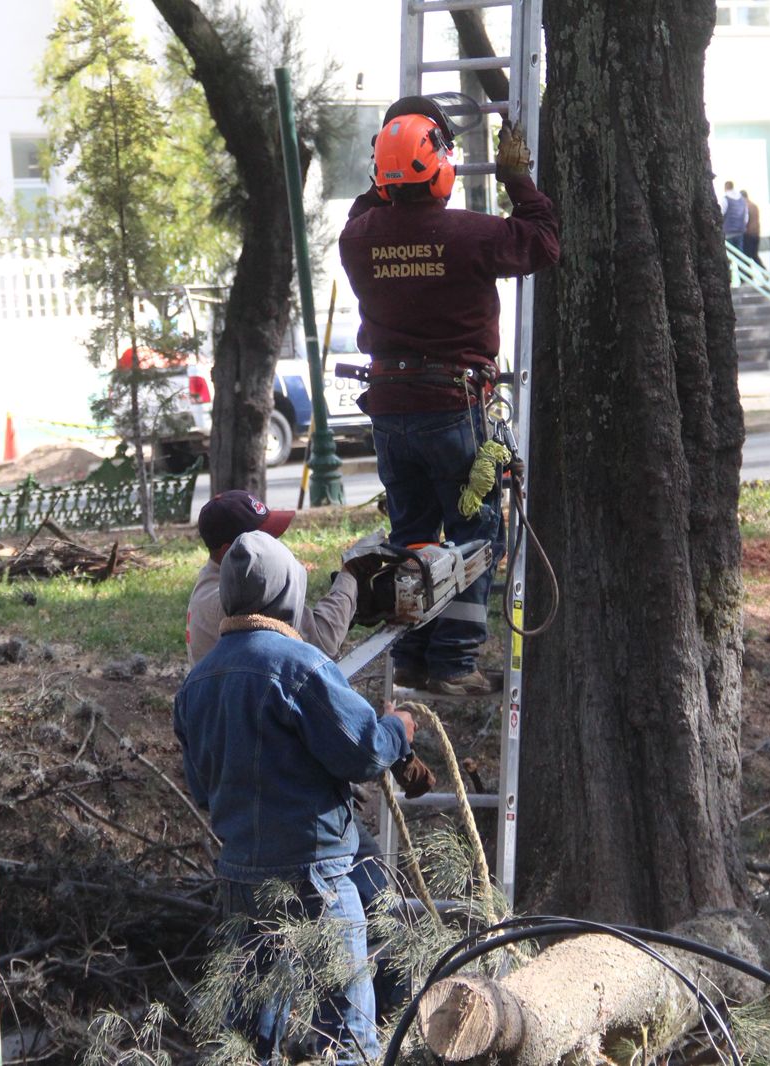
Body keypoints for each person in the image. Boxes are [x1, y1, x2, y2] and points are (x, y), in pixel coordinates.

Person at [175, 531, 431, 1064]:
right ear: (289, 592)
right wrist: (398, 727)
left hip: (240, 876)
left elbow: (202, 787)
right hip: (317, 875)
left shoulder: (197, 684)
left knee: (244, 1036)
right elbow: (362, 752)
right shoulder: (303, 667)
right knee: (344, 1033)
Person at [338, 96, 560, 696]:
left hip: (389, 411)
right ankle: (456, 661)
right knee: (476, 532)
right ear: (439, 170)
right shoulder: (468, 235)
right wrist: (517, 177)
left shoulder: (357, 240)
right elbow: (543, 240)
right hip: (452, 409)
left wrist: (389, 164)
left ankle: (410, 655)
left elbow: (370, 204)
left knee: (410, 535)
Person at [185, 490, 356, 667]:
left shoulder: (210, 578)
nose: (275, 543)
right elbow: (323, 642)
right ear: (228, 550)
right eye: (263, 539)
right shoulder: (244, 593)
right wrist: (351, 574)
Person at [721, 180, 747, 251]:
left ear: (725, 188)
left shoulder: (725, 199)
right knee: (740, 253)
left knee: (730, 253)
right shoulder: (742, 199)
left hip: (728, 231)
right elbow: (746, 216)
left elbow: (721, 213)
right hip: (740, 230)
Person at [741, 189, 763, 267]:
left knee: (746, 257)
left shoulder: (745, 206)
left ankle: (748, 276)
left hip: (748, 234)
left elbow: (745, 220)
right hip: (756, 234)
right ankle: (765, 273)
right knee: (754, 255)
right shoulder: (754, 205)